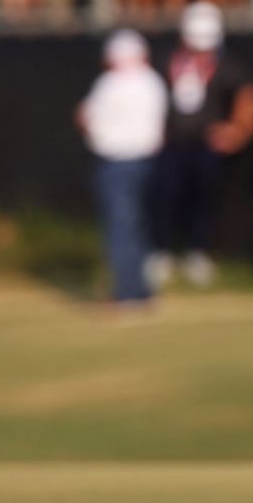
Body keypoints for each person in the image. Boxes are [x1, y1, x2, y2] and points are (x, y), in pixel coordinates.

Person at [148, 2, 253, 290]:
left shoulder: (228, 65)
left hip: (206, 145)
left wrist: (239, 130)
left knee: (203, 200)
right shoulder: (165, 60)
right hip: (170, 143)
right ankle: (162, 253)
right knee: (165, 196)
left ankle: (197, 254)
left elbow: (250, 95)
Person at [76, 30, 168, 309]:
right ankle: (142, 290)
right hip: (148, 161)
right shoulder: (153, 82)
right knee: (138, 225)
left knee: (120, 228)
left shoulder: (109, 84)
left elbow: (87, 119)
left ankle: (128, 294)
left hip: (116, 162)